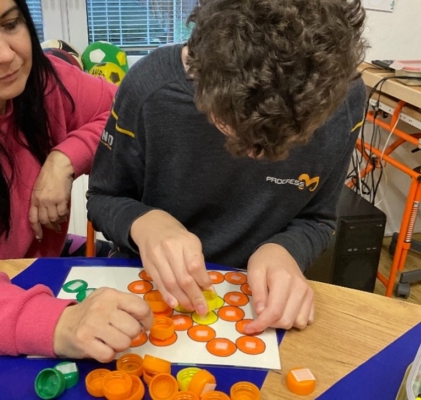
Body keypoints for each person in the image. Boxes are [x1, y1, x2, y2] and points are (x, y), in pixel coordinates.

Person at [87, 0, 368, 334]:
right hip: (149, 291)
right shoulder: (151, 90)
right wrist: (146, 225)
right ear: (201, 76)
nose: (255, 154)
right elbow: (103, 197)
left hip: (256, 304)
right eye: (232, 129)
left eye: (290, 140)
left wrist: (286, 251)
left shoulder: (342, 98)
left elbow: (318, 218)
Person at [0, 0, 152, 361]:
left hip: (39, 266)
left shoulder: (46, 80)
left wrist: (64, 158)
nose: (6, 54)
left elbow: (121, 113)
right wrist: (58, 325)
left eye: (11, 24)